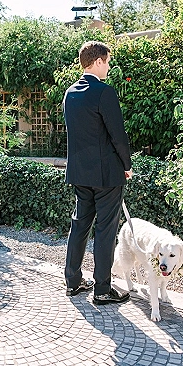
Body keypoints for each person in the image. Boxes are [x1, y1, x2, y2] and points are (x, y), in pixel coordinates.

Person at [63, 41, 132, 305]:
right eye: (108, 62)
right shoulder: (105, 92)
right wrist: (126, 165)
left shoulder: (70, 93)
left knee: (80, 224)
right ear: (99, 61)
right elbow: (118, 135)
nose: (109, 67)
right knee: (105, 230)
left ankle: (72, 281)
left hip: (80, 173)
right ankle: (102, 289)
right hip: (106, 175)